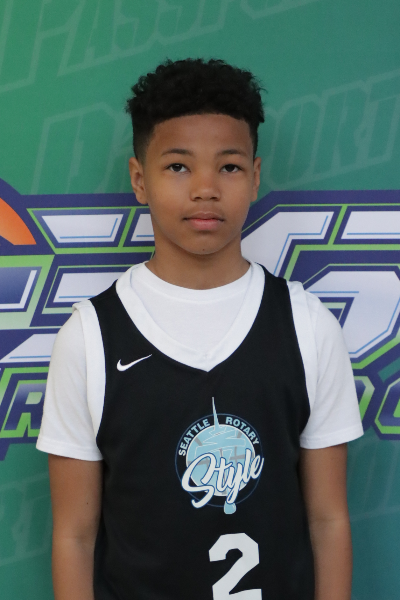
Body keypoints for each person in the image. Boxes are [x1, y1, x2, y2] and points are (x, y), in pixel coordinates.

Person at [37, 58, 363, 600]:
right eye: (178, 167)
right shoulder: (90, 336)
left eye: (229, 167)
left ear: (255, 177)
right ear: (139, 179)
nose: (206, 188)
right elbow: (74, 536)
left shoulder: (307, 325)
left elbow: (328, 521)